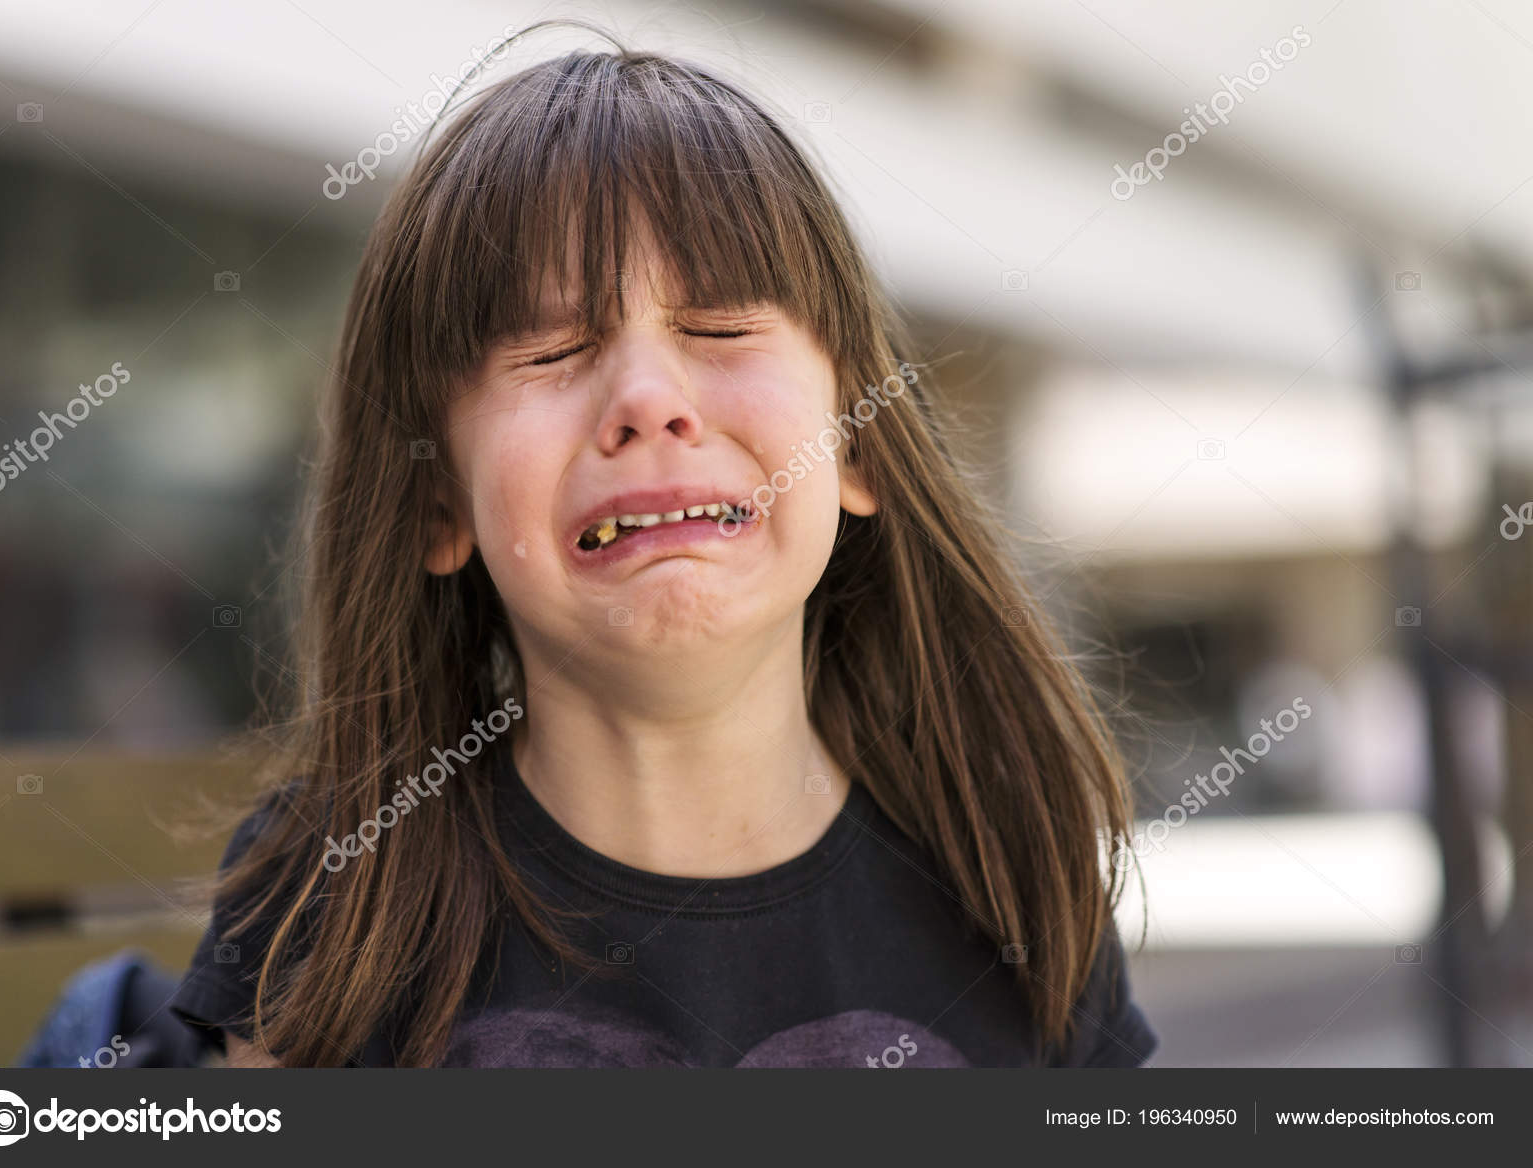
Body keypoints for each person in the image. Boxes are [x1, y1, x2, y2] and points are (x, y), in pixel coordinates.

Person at [170, 20, 1157, 1069]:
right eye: (552, 351)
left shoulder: (1011, 874)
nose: (648, 399)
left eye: (722, 330)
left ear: (857, 442)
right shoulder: (340, 898)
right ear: (434, 505)